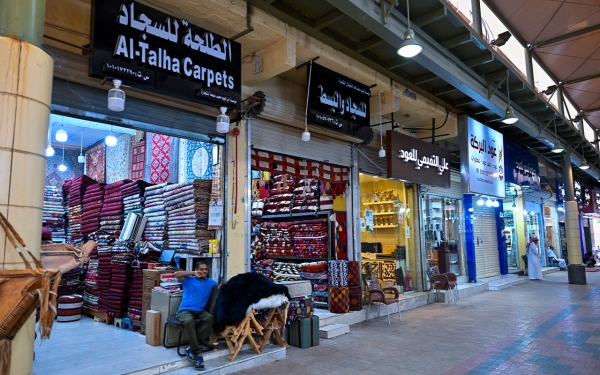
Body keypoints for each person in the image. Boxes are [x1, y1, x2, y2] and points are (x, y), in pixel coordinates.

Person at [174, 261, 218, 371]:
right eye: (201, 269)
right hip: (185, 310)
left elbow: (219, 287)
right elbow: (176, 274)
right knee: (189, 321)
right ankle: (198, 354)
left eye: (205, 269)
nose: (203, 271)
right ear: (196, 269)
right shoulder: (188, 279)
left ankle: (192, 347)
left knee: (210, 318)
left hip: (200, 311)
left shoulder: (210, 282)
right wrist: (193, 273)